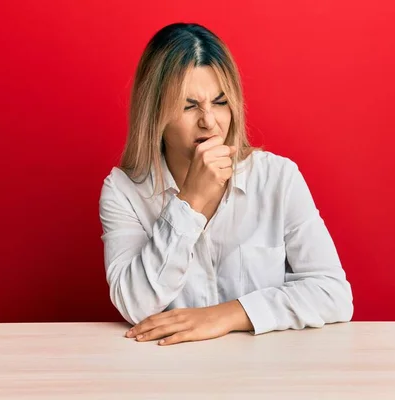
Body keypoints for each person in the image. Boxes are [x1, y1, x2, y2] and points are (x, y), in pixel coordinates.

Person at [98, 22, 353, 346]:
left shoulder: (277, 178)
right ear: (155, 113)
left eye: (220, 102)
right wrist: (190, 201)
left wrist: (227, 315)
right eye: (189, 106)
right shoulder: (123, 191)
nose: (209, 121)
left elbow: (333, 293)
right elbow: (136, 305)